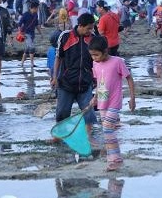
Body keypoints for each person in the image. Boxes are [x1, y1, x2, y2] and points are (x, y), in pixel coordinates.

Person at [89, 36, 136, 171]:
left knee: (108, 129)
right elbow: (100, 82)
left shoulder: (117, 62)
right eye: (92, 55)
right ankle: (114, 158)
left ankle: (115, 160)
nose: (94, 58)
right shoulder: (95, 64)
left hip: (114, 102)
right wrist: (95, 98)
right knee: (108, 131)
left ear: (105, 51)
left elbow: (129, 79)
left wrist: (132, 99)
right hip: (102, 102)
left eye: (96, 55)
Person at [51, 12, 97, 143]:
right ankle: (58, 136)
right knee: (62, 112)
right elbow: (58, 58)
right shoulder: (65, 36)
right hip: (66, 83)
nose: (91, 31)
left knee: (88, 112)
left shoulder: (93, 38)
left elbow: (97, 60)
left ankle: (88, 136)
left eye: (92, 28)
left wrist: (96, 79)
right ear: (80, 26)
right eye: (88, 28)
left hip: (85, 82)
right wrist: (54, 77)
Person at [18, 0, 41, 67]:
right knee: (32, 48)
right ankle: (32, 64)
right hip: (26, 34)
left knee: (27, 49)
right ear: (34, 8)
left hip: (32, 34)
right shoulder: (25, 14)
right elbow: (19, 24)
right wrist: (20, 33)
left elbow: (36, 25)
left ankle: (21, 63)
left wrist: (40, 33)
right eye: (37, 8)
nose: (37, 9)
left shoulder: (35, 15)